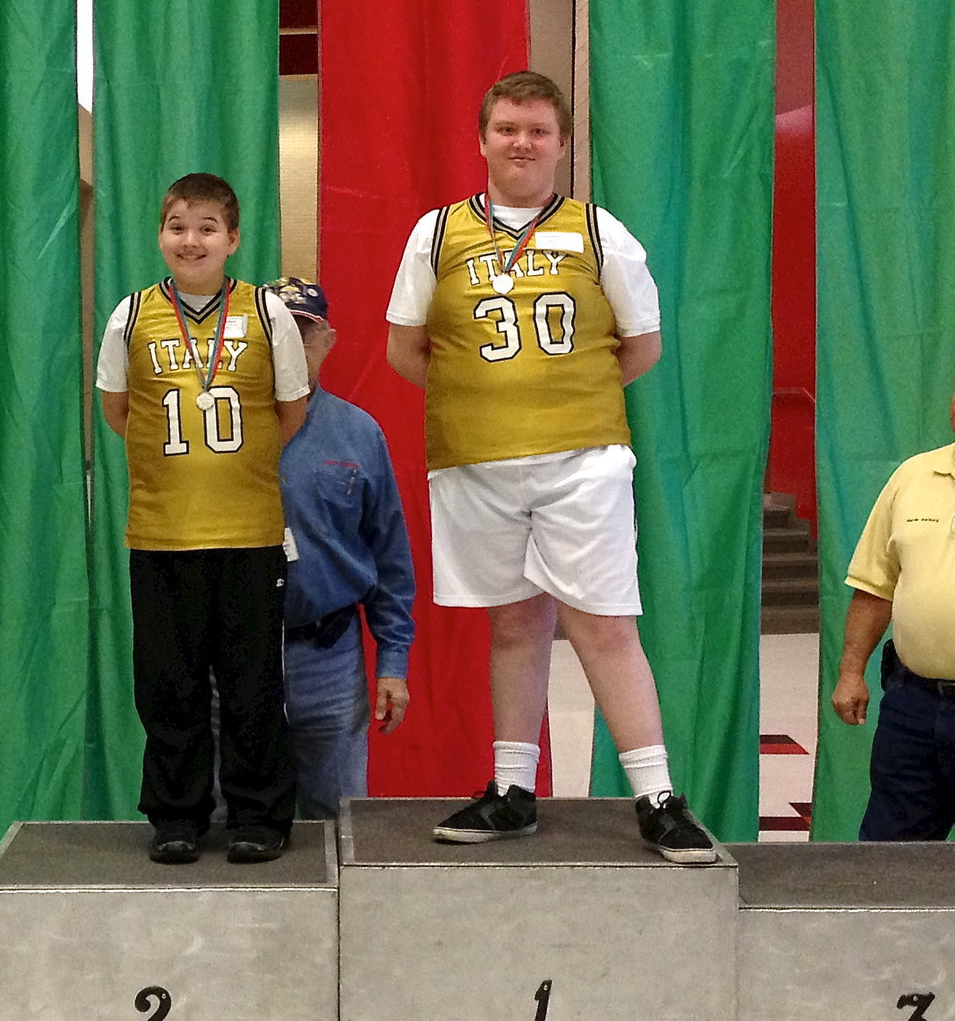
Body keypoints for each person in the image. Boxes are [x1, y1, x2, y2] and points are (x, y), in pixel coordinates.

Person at [385, 71, 714, 862]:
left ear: (562, 144)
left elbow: (642, 346)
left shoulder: (602, 232)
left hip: (581, 459)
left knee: (602, 623)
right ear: (483, 138)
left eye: (537, 130)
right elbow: (404, 349)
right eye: (507, 128)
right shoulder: (436, 234)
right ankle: (511, 789)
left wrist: (555, 399)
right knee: (513, 621)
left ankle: (657, 796)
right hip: (477, 463)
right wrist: (489, 398)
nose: (521, 142)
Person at [96, 172, 309, 865]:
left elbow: (290, 410)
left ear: (233, 238)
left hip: (248, 534)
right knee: (168, 683)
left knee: (252, 683)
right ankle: (177, 816)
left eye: (207, 227)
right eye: (179, 226)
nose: (192, 240)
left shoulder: (266, 312)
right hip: (161, 535)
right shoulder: (129, 315)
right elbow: (119, 413)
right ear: (161, 235)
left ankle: (259, 815)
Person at [832, 347, 955, 860]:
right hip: (911, 709)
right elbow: (874, 586)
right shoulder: (912, 477)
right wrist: (851, 671)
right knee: (890, 863)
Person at [267, 277, 415, 819]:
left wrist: (392, 662)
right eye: (275, 332)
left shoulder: (359, 434)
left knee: (335, 818)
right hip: (234, 657)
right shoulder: (224, 431)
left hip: (327, 657)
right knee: (229, 817)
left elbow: (390, 560)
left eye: (303, 332)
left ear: (327, 341)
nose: (290, 345)